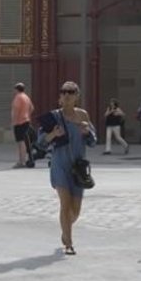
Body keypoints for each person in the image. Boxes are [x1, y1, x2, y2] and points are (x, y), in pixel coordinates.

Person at [38, 81, 97, 255]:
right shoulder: (53, 117)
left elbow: (93, 141)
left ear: (77, 96)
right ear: (60, 97)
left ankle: (66, 229)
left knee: (75, 210)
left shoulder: (83, 115)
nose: (67, 95)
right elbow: (40, 143)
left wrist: (87, 132)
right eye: (63, 91)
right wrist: (52, 134)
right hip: (60, 164)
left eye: (71, 92)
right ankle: (69, 242)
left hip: (78, 167)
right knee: (65, 203)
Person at [11, 82, 35, 168]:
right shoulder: (26, 97)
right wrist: (27, 115)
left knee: (20, 142)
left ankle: (21, 161)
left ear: (16, 89)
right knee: (24, 141)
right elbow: (32, 108)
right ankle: (23, 160)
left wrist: (14, 120)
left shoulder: (18, 97)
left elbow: (16, 110)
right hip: (26, 121)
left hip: (19, 122)